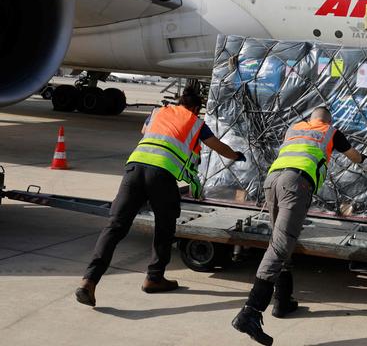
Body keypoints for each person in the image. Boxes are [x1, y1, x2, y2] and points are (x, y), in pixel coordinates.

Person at [75, 88, 245, 307]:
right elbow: (217, 146)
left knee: (115, 226)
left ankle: (89, 280)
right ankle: (154, 277)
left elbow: (144, 129)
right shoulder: (195, 122)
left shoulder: (157, 112)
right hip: (161, 175)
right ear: (196, 108)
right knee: (165, 226)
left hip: (134, 169)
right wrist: (237, 156)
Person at [232, 107, 367, 346]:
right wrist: (364, 159)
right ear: (328, 120)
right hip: (296, 183)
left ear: (311, 118)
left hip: (272, 181)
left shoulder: (294, 128)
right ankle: (251, 311)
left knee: (280, 241)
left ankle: (282, 301)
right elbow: (354, 156)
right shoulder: (331, 132)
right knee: (280, 247)